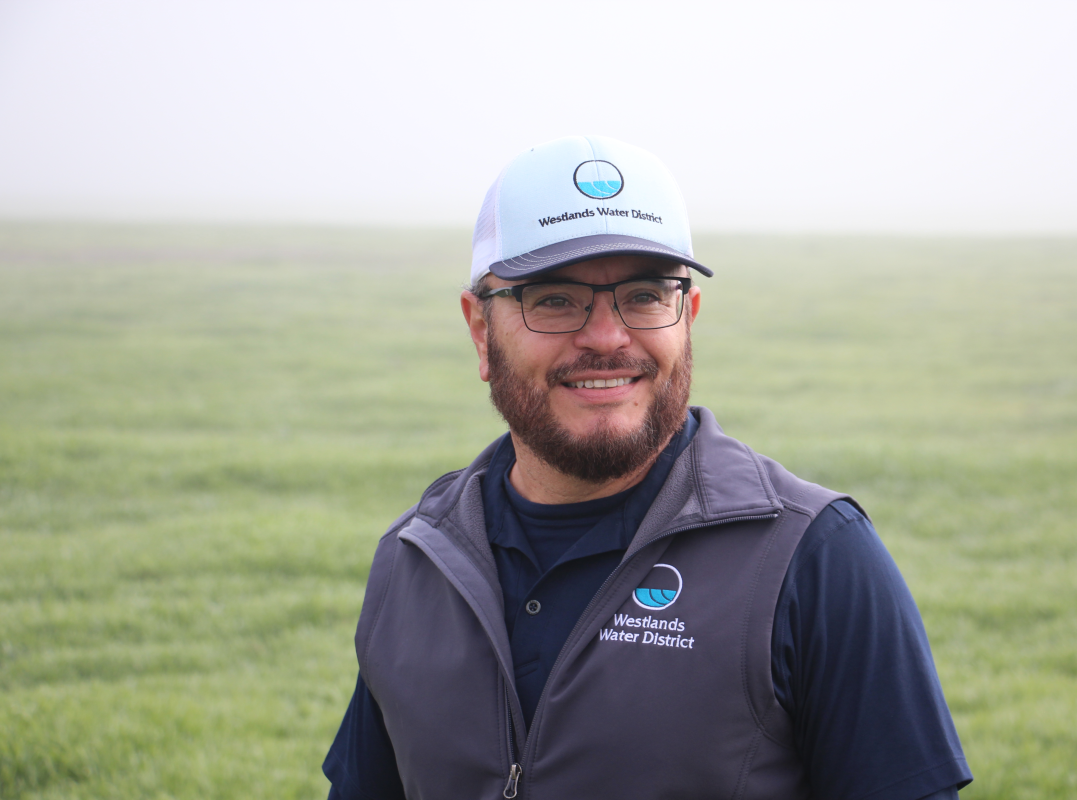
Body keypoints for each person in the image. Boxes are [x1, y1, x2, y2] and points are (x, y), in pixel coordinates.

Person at [323, 135, 972, 799]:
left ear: (687, 316)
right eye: (553, 298)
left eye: (644, 295)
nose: (607, 338)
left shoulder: (813, 558)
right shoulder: (418, 560)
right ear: (480, 331)